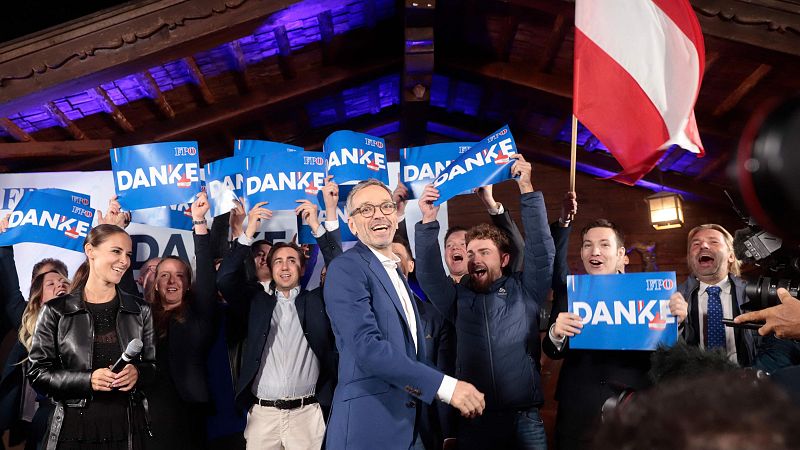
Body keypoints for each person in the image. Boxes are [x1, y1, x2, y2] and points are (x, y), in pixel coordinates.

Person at [324, 179, 485, 450]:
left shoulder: (397, 276)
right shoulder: (347, 268)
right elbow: (367, 347)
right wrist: (447, 388)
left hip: (410, 428)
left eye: (385, 206)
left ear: (395, 217)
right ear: (351, 224)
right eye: (366, 210)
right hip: (369, 429)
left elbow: (414, 358)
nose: (378, 214)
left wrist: (455, 387)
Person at [415, 153, 555, 450]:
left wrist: (526, 189)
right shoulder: (458, 300)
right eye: (470, 253)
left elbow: (542, 250)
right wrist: (428, 220)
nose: (474, 258)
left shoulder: (526, 290)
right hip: (475, 420)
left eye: (484, 252)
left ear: (504, 259)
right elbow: (428, 275)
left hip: (524, 420)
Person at [543, 219, 687, 450]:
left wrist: (677, 323)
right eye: (587, 245)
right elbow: (551, 350)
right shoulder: (570, 295)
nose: (595, 251)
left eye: (604, 245)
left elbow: (670, 355)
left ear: (621, 254)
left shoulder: (655, 295)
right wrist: (556, 332)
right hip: (579, 410)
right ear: (581, 253)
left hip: (635, 408)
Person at [216, 196, 342, 450]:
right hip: (264, 416)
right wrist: (248, 231)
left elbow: (341, 269)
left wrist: (317, 226)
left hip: (307, 415)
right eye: (278, 261)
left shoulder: (318, 301)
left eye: (292, 260)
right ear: (271, 269)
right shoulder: (255, 302)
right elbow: (225, 279)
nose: (285, 266)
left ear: (303, 268)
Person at [27, 223, 156, 450]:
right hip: (73, 431)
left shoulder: (140, 310)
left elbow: (152, 367)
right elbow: (38, 373)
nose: (124, 261)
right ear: (90, 251)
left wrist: (138, 373)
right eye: (116, 251)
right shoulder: (56, 310)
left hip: (126, 431)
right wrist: (88, 379)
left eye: (128, 254)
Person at [139, 192, 220, 449]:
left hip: (190, 414)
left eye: (179, 275)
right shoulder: (141, 316)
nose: (171, 281)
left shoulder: (200, 316)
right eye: (164, 275)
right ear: (154, 283)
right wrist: (115, 226)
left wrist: (199, 222)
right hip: (150, 413)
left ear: (187, 284)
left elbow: (207, 276)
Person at [0, 236, 70, 450]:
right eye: (50, 284)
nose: (59, 286)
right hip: (31, 419)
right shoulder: (27, 321)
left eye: (63, 283)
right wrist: (4, 241)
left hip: (68, 419)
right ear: (39, 297)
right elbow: (10, 286)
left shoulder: (84, 321)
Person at [391, 235, 456, 450]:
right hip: (380, 422)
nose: (392, 260)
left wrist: (448, 432)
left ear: (411, 265)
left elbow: (443, 373)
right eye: (386, 256)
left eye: (398, 256)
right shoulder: (365, 313)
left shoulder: (434, 316)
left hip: (421, 426)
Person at [669, 224, 756, 366]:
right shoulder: (673, 298)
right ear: (691, 259)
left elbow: (773, 346)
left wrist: (755, 375)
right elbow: (664, 354)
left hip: (745, 381)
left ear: (731, 256)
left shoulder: (754, 296)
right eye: (695, 244)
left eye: (714, 241)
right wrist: (676, 326)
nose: (703, 245)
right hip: (696, 383)